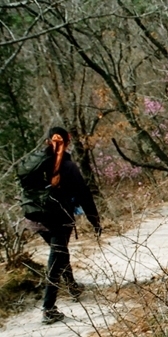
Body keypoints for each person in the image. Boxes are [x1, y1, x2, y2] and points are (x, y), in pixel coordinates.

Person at [37, 127, 102, 325]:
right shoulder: (68, 166)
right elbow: (84, 195)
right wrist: (94, 221)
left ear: (47, 141)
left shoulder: (35, 162)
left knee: (60, 253)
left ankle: (72, 286)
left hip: (35, 219)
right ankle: (48, 308)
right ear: (68, 141)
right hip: (59, 218)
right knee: (56, 259)